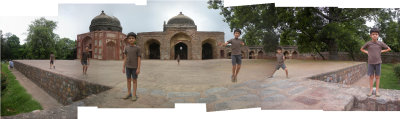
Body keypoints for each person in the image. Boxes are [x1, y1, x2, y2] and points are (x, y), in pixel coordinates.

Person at [360, 28, 391, 97]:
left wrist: (381, 51)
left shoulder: (380, 43)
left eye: (376, 34)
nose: (374, 35)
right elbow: (361, 49)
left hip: (378, 63)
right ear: (370, 35)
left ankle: (377, 91)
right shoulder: (368, 43)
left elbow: (388, 48)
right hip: (370, 63)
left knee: (377, 77)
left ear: (378, 35)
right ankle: (371, 90)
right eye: (373, 34)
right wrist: (367, 52)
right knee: (371, 77)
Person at [122, 32, 141, 101]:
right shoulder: (126, 48)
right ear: (127, 40)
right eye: (129, 38)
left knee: (134, 81)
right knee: (128, 80)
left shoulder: (137, 48)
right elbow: (125, 58)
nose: (131, 39)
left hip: (134, 67)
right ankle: (129, 93)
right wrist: (123, 67)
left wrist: (138, 68)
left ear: (135, 39)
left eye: (132, 38)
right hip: (128, 67)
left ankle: (134, 94)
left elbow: (139, 58)